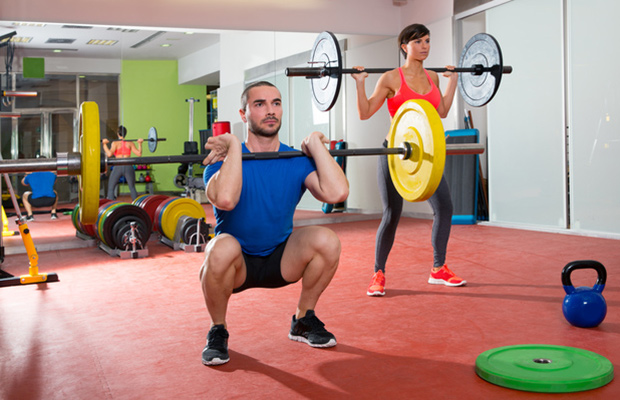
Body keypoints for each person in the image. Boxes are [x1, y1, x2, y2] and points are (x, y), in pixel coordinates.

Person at [199, 81, 349, 366]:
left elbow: (337, 193)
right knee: (219, 247)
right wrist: (233, 146)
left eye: (276, 103)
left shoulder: (294, 159)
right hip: (235, 265)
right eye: (260, 104)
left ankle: (303, 319)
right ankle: (217, 330)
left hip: (281, 258)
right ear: (243, 115)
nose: (270, 111)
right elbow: (226, 199)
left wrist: (316, 146)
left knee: (327, 240)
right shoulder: (219, 162)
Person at [351, 23, 466, 297]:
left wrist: (452, 81)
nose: (424, 46)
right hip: (395, 154)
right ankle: (378, 273)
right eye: (418, 42)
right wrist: (360, 84)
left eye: (427, 41)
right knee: (392, 214)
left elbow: (442, 111)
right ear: (405, 46)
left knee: (445, 207)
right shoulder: (391, 78)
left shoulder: (433, 78)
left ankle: (439, 268)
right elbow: (365, 112)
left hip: (426, 155)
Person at [102, 126, 143, 200]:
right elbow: (139, 154)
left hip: (118, 166)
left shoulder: (115, 143)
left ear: (118, 134)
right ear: (125, 133)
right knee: (132, 188)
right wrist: (140, 143)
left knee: (111, 188)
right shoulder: (130, 143)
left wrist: (104, 144)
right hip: (128, 166)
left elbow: (109, 154)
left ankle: (111, 208)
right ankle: (137, 206)